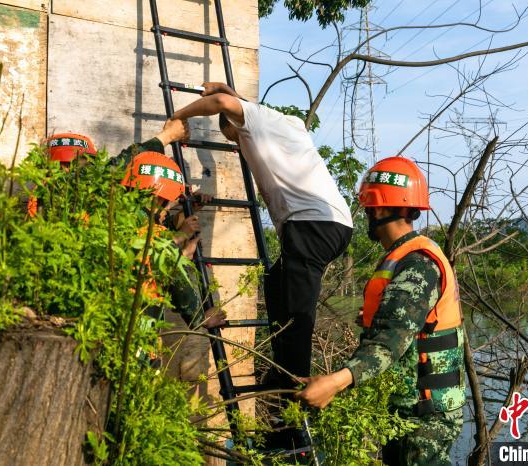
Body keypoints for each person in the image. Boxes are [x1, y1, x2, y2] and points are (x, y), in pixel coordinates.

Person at [165, 82, 353, 391]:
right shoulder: (283, 122)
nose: (238, 144)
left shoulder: (254, 121)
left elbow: (224, 103)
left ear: (239, 123)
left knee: (296, 312)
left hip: (312, 225)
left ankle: (292, 391)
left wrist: (178, 116)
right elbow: (233, 101)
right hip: (330, 223)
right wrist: (231, 92)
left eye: (235, 137)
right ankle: (283, 372)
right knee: (277, 284)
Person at [296, 156, 466, 466]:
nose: (366, 215)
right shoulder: (406, 255)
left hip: (424, 417)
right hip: (413, 409)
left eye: (368, 208)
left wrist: (336, 382)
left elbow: (391, 341)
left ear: (382, 209)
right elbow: (407, 323)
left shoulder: (417, 265)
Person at [119, 148, 226, 331]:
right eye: (172, 200)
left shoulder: (124, 214)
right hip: (137, 326)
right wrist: (200, 317)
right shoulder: (148, 227)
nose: (173, 204)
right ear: (160, 197)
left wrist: (189, 210)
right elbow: (166, 266)